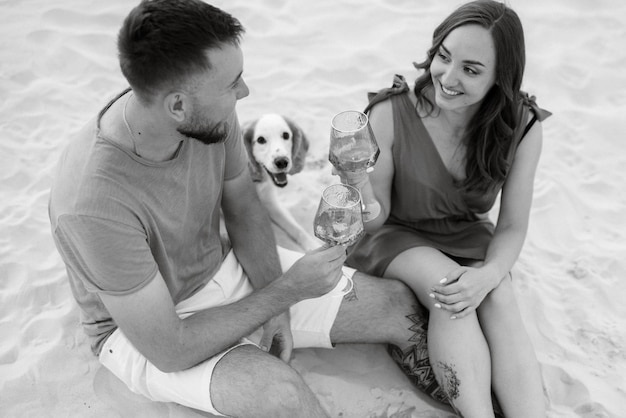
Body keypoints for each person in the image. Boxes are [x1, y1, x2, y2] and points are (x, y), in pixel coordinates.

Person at [47, 1, 440, 417]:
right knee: (281, 396)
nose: (244, 92)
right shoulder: (93, 204)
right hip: (143, 331)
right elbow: (170, 347)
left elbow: (244, 206)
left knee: (397, 305)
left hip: (220, 266)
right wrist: (285, 293)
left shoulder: (206, 115)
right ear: (178, 105)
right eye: (232, 83)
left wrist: (281, 312)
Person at [340, 1, 551, 417]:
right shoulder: (388, 112)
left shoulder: (523, 125)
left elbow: (510, 226)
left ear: (499, 79)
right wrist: (357, 184)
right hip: (395, 234)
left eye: (471, 70)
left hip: (467, 234)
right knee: (448, 291)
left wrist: (489, 275)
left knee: (500, 296)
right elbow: (376, 217)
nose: (448, 78)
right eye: (444, 57)